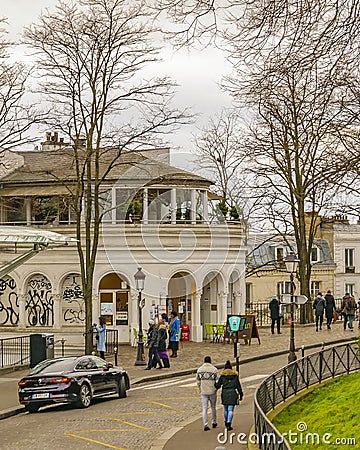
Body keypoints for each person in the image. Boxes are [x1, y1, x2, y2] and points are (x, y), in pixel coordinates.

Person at [215, 360, 243, 431]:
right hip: (233, 392)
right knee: (231, 409)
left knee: (225, 408)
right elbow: (238, 386)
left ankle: (225, 421)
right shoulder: (235, 376)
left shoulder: (222, 376)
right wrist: (241, 394)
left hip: (225, 392)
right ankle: (229, 423)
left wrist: (214, 383)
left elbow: (218, 385)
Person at [196, 356, 220, 431]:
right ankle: (214, 421)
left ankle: (205, 424)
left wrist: (200, 389)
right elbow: (217, 380)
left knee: (204, 408)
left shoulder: (200, 370)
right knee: (213, 407)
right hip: (212, 391)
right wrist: (216, 388)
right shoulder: (214, 369)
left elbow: (198, 381)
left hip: (204, 391)